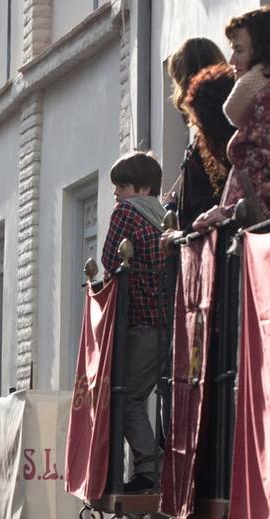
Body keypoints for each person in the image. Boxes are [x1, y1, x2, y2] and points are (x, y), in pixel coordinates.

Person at [193, 7, 270, 231]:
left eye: (239, 50)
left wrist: (229, 213)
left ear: (264, 53)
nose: (232, 60)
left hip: (264, 241)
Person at [101, 152, 171, 493]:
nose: (116, 193)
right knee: (151, 394)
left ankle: (150, 469)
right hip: (168, 323)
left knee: (124, 397)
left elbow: (109, 258)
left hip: (141, 322)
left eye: (123, 185)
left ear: (144, 187)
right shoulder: (166, 217)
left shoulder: (128, 212)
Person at [163, 38, 237, 232]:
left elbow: (203, 200)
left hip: (216, 241)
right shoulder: (230, 117)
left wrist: (181, 228)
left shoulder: (213, 129)